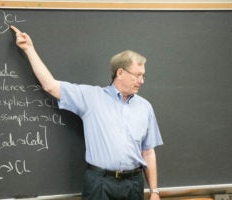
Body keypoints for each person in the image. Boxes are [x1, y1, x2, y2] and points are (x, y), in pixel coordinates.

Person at [11, 25, 163, 200]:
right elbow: (51, 86)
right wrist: (29, 49)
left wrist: (154, 191)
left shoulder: (145, 107)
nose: (141, 81)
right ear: (120, 73)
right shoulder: (91, 97)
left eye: (143, 75)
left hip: (133, 184)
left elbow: (148, 152)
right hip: (100, 183)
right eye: (137, 75)